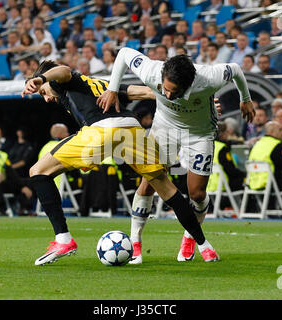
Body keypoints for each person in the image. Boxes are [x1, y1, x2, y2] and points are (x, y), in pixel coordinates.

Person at [22, 60, 221, 265]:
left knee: (38, 171)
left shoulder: (59, 81)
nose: (45, 98)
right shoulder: (102, 84)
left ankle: (63, 239)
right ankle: (205, 245)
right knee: (167, 189)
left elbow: (64, 71)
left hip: (102, 130)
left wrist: (42, 79)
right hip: (132, 129)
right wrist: (198, 103)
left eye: (43, 92)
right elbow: (146, 92)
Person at [96, 47, 254, 264]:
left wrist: (245, 98)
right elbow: (123, 53)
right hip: (164, 127)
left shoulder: (209, 78)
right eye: (165, 89)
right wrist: (113, 89)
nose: (168, 95)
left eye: (174, 92)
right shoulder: (152, 70)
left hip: (200, 133)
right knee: (149, 182)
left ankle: (190, 236)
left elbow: (235, 69)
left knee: (197, 194)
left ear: (189, 85)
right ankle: (135, 243)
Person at [206, 121, 246, 202]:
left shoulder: (206, 146)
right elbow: (230, 170)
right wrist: (244, 174)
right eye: (227, 132)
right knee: (247, 181)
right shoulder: (222, 149)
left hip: (207, 184)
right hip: (222, 184)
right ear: (222, 134)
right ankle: (248, 209)